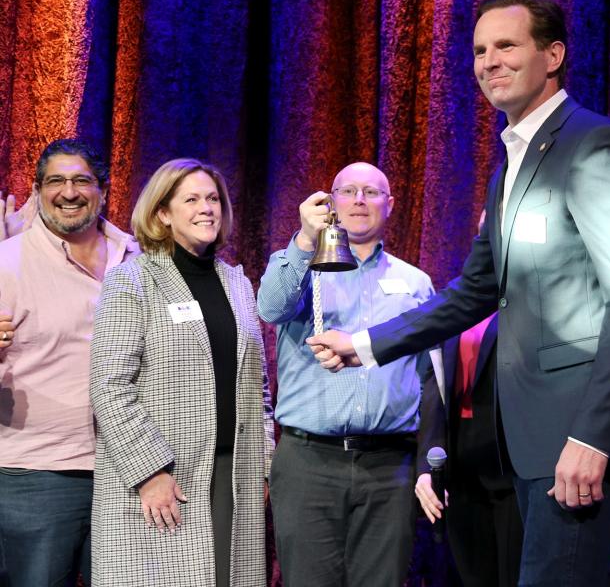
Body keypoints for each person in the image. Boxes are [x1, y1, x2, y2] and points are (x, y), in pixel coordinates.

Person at [313, 0, 610, 585]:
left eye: (507, 45)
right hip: (530, 439)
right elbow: (476, 290)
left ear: (552, 55)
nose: (489, 62)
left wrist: (594, 434)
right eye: (480, 50)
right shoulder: (512, 162)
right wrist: (367, 344)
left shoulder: (596, 147)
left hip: (579, 437)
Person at [89, 159, 273, 586]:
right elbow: (109, 386)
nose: (206, 208)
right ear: (162, 214)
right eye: (190, 199)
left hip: (233, 476)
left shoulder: (238, 284)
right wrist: (149, 472)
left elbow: (257, 388)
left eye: (213, 199)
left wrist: (263, 465)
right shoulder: (131, 282)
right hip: (164, 479)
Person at [257, 161, 438, 587]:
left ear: (390, 205)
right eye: (348, 191)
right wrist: (305, 239)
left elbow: (433, 378)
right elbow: (270, 308)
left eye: (372, 192)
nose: (359, 200)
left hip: (389, 464)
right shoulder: (300, 268)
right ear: (332, 202)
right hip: (309, 461)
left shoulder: (414, 283)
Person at [0, 139, 138, 586]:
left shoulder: (138, 259)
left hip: (130, 473)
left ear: (104, 188)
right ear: (37, 190)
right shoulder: (8, 263)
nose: (69, 191)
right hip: (37, 477)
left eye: (81, 180)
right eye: (55, 181)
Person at [415, 301, 523, 586]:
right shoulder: (455, 307)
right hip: (461, 469)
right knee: (472, 576)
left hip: (514, 471)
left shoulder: (528, 298)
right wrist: (428, 465)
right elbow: (433, 390)